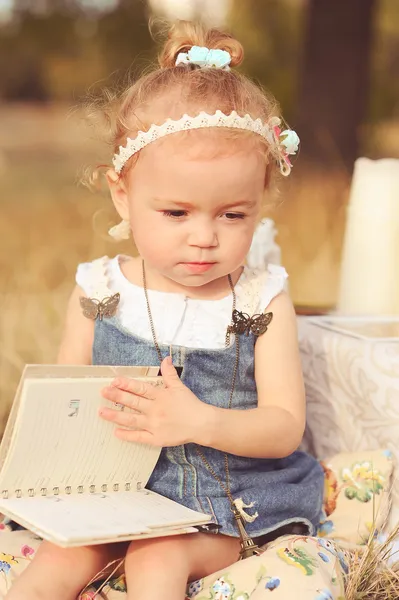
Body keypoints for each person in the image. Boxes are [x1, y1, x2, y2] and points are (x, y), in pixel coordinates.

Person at [7, 21, 325, 600]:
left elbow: (285, 427)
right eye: (176, 213)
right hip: (119, 486)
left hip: (230, 498)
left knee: (157, 554)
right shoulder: (100, 290)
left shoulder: (260, 300)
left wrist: (201, 421)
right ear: (122, 194)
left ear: (261, 201)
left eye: (233, 215)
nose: (204, 237)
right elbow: (67, 403)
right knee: (58, 558)